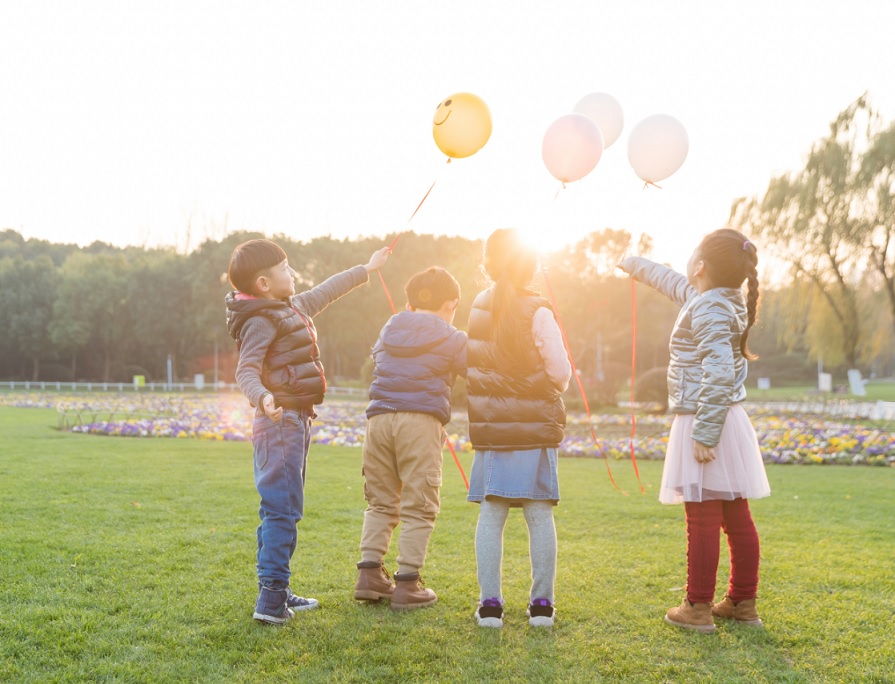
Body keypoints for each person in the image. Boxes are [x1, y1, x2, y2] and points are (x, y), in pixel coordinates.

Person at [225, 238, 390, 625]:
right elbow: (245, 371)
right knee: (282, 510)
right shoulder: (261, 321)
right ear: (264, 284)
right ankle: (270, 600)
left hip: (296, 419)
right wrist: (263, 397)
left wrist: (366, 269)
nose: (293, 273)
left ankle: (277, 589)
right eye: (285, 268)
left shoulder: (290, 307)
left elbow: (327, 289)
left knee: (280, 510)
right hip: (278, 422)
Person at [618, 227, 770, 633]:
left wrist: (704, 433)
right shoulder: (715, 300)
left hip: (707, 419)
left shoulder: (707, 308)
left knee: (702, 515)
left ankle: (698, 608)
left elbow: (718, 372)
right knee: (736, 515)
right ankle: (742, 602)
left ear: (700, 266)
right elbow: (669, 280)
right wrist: (632, 264)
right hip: (725, 417)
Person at [465, 229, 572, 629]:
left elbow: (474, 364)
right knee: (539, 515)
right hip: (535, 430)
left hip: (494, 431)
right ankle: (542, 606)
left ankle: (490, 606)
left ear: (489, 261)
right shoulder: (539, 310)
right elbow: (559, 373)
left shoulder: (478, 305)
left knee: (491, 516)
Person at [354, 266, 467, 610]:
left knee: (381, 500)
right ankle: (407, 583)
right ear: (452, 303)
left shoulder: (389, 327)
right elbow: (477, 375)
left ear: (410, 299)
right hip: (419, 421)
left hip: (378, 419)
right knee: (420, 503)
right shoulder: (453, 336)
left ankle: (369, 575)